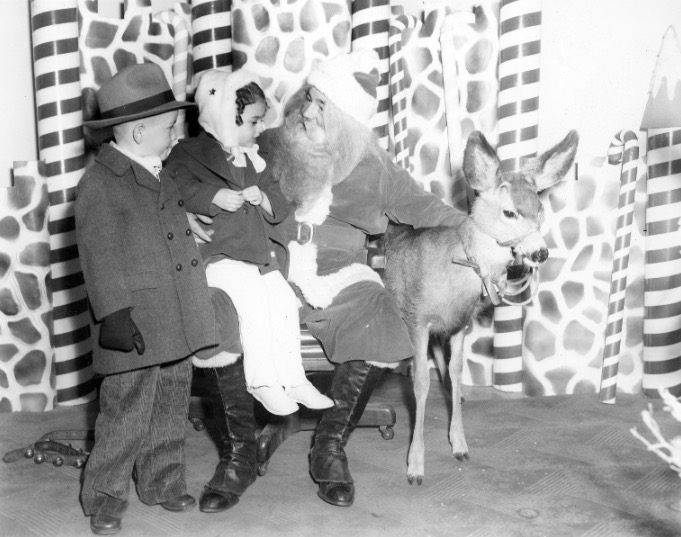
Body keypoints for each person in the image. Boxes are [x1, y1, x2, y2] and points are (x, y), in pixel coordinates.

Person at [255, 49, 469, 507]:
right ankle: (258, 435)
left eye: (321, 107)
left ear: (349, 123)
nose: (307, 111)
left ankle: (329, 445)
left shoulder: (375, 168)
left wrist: (479, 230)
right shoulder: (271, 146)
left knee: (385, 321)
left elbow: (424, 207)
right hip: (270, 261)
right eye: (309, 98)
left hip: (339, 272)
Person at [164, 69, 333, 511]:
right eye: (253, 120)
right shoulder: (188, 153)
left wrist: (266, 200)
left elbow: (282, 207)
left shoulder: (254, 159)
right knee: (253, 304)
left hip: (257, 260)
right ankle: (262, 382)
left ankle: (292, 379)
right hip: (217, 262)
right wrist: (212, 199)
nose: (260, 129)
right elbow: (175, 190)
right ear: (223, 115)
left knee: (279, 298)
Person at [75, 64, 218, 535]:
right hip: (133, 322)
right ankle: (104, 494)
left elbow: (166, 229)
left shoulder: (161, 175)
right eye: (169, 128)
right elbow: (100, 254)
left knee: (170, 406)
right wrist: (113, 313)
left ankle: (162, 481)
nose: (176, 135)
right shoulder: (100, 183)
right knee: (125, 412)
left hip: (174, 316)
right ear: (138, 132)